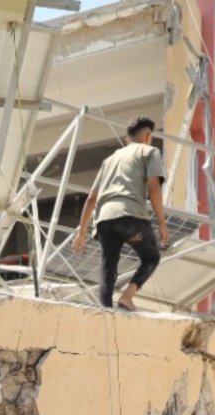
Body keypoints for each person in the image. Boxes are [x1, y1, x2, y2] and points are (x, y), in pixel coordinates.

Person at [73, 117, 169, 312]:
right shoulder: (150, 151)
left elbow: (91, 198)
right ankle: (127, 296)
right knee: (151, 257)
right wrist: (161, 222)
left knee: (108, 265)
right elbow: (153, 187)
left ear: (127, 138)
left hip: (105, 220)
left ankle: (105, 311)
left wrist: (81, 232)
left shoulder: (109, 160)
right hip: (131, 216)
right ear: (147, 135)